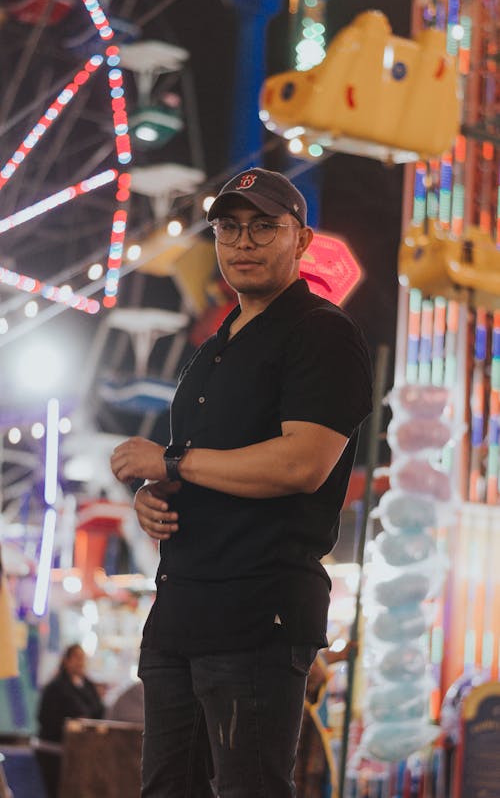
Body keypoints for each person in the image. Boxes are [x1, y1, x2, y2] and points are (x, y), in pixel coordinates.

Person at [110, 167, 373, 798]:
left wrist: (172, 463)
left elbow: (300, 463)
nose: (244, 242)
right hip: (181, 608)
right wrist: (156, 500)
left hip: (259, 609)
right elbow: (204, 464)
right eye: (229, 227)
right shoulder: (215, 345)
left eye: (264, 226)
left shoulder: (321, 333)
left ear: (301, 240)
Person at [35, 643, 104, 798]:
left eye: (83, 658)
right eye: (77, 657)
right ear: (66, 660)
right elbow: (45, 718)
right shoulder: (55, 687)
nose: (80, 662)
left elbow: (98, 710)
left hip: (80, 751)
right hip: (54, 752)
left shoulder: (88, 686)